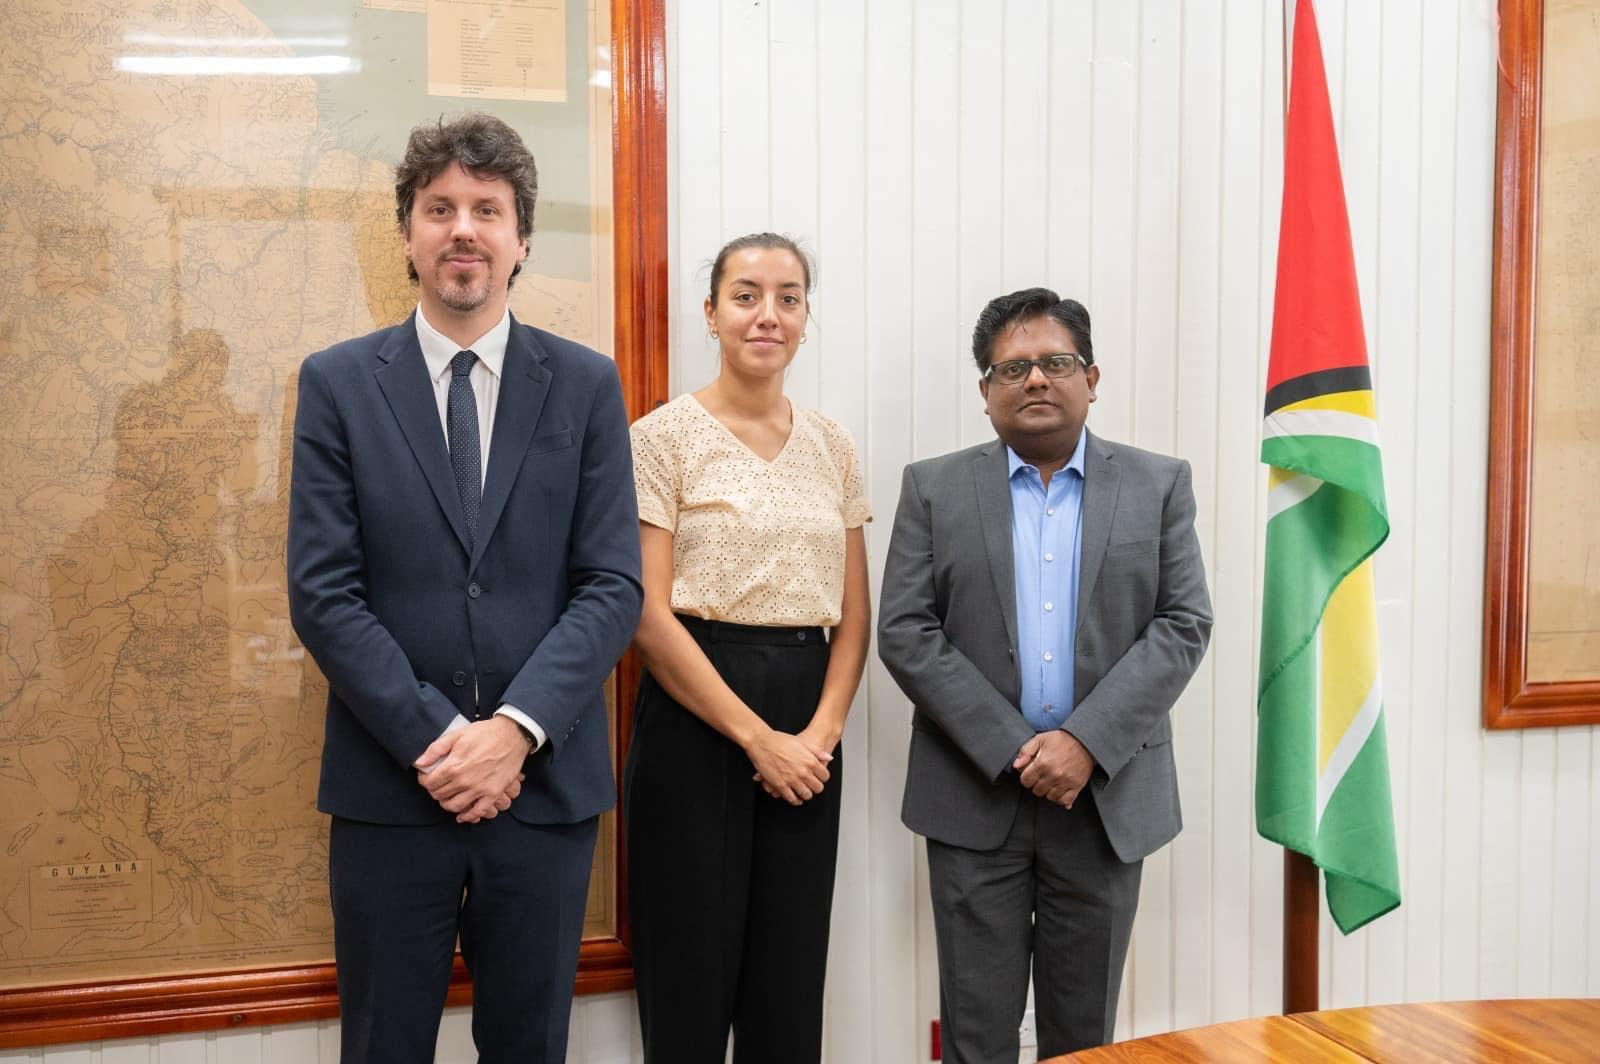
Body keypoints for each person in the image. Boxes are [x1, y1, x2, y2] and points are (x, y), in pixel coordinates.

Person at [286, 112, 642, 1064]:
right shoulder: (338, 385)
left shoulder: (585, 385)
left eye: (488, 209)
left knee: (530, 1049)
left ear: (522, 237)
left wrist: (514, 732)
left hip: (543, 795)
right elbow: (323, 593)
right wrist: (446, 743)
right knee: (383, 1047)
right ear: (406, 234)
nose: (463, 230)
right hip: (391, 795)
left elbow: (611, 585)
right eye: (439, 207)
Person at [878, 288, 1212, 1061]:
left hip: (1104, 801)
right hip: (973, 795)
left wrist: (1084, 744)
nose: (1035, 379)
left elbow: (1183, 623)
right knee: (975, 1035)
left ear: (1091, 377)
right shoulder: (933, 487)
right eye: (1013, 368)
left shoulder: (1158, 484)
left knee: (1084, 1038)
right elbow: (905, 628)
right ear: (985, 391)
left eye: (1055, 362)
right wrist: (1018, 749)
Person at [624, 233, 871, 1063]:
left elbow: (854, 617)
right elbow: (648, 616)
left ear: (805, 319)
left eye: (788, 297)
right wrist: (756, 739)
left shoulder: (834, 446)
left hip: (809, 728)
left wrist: (818, 737)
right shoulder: (660, 439)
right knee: (687, 979)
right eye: (746, 295)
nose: (768, 314)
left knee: (788, 989)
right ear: (712, 313)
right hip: (696, 717)